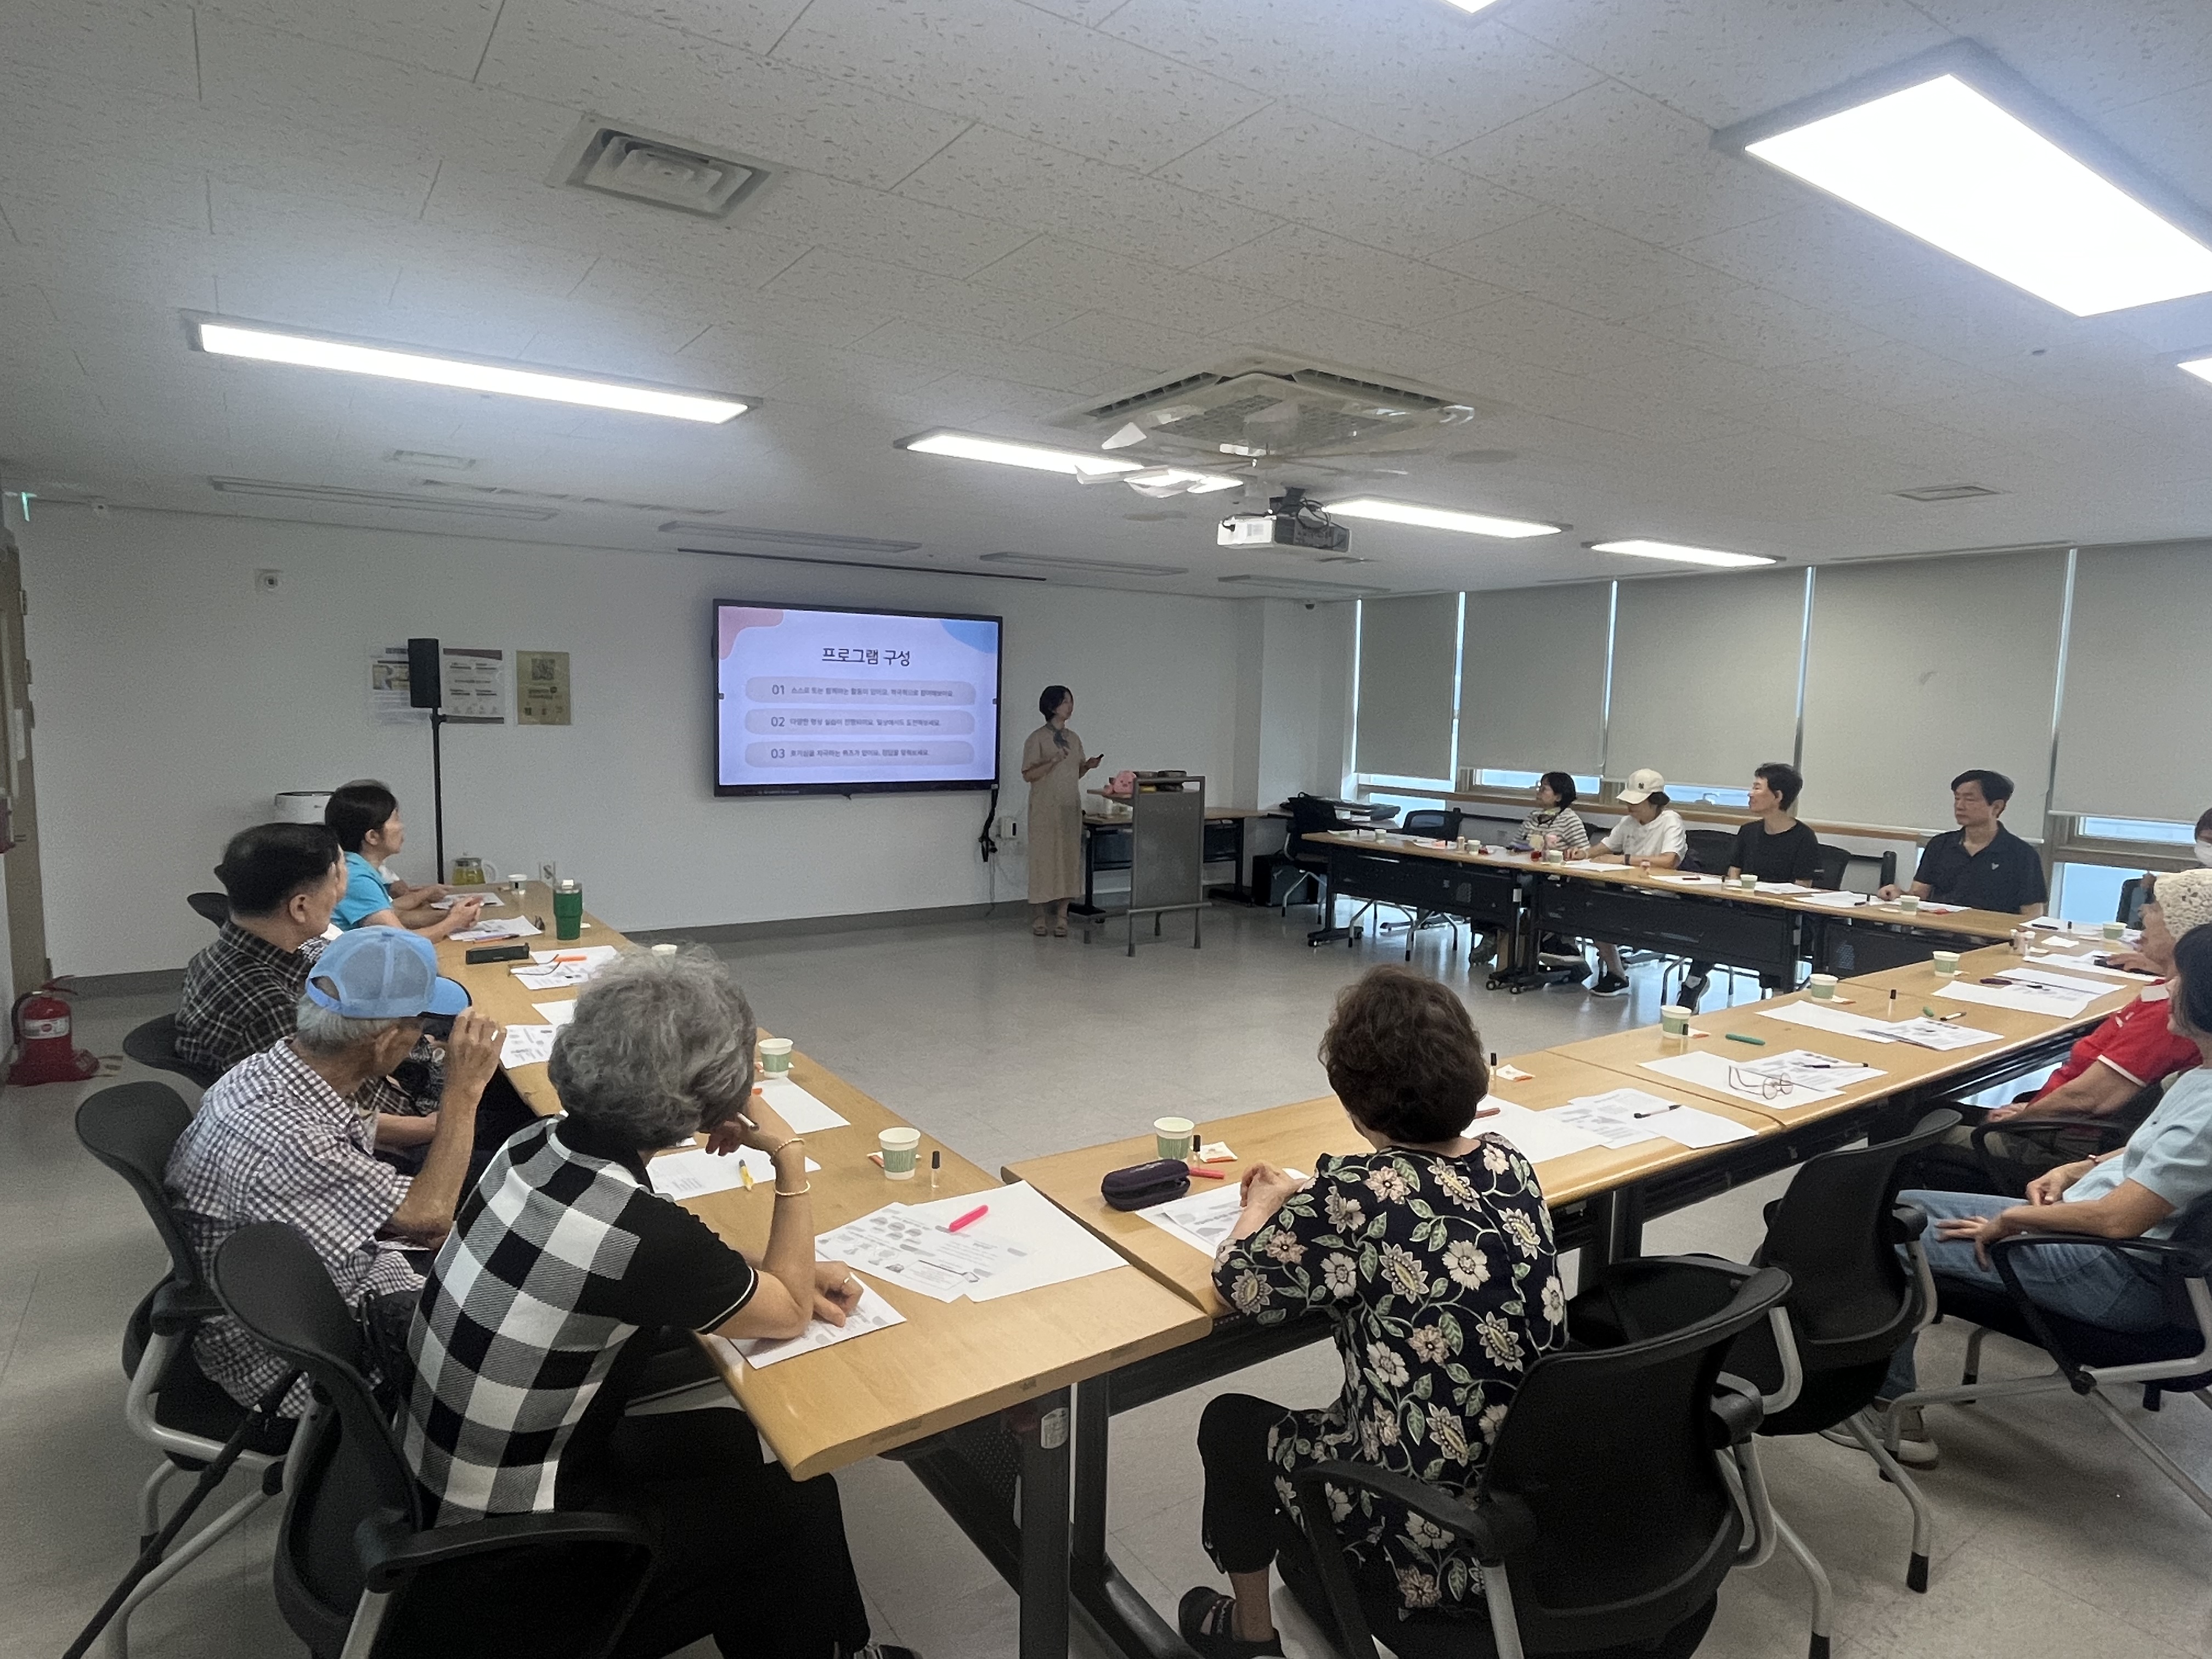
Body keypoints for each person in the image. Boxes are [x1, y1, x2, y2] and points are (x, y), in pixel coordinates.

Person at [403, 949, 913, 1659]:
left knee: (727, 1439)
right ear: (709, 1097)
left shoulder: (530, 1145)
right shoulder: (643, 1237)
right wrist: (789, 1156)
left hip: (446, 1492)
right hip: (511, 1564)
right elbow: (790, 1312)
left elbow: (651, 1261)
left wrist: (771, 1270)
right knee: (798, 1506)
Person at [1178, 966, 1566, 1657]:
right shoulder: (1510, 1162)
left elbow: (1241, 1281)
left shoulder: (1355, 1196)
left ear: (1355, 1103)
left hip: (1433, 1539)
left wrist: (1262, 1207)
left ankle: (1249, 1635)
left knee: (1231, 1426)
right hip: (1534, 1499)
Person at [1863, 919, 2212, 1468]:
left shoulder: (2208, 1112)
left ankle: (1891, 1407)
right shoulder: (2203, 1079)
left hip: (2113, 1269)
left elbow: (2119, 1221)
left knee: (1884, 1227)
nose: (2168, 986)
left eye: (2181, 978)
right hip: (2104, 1244)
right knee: (1894, 1210)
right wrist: (2081, 1167)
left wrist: (2015, 1222)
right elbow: (2156, 1151)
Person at [166, 927, 499, 1414]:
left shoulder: (267, 1070)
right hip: (300, 1358)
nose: (426, 1037)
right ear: (387, 1042)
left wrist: (434, 1127)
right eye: (421, 1025)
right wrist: (462, 1095)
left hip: (283, 1291)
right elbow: (430, 1218)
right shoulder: (291, 1143)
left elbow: (352, 1127)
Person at [1903, 870, 2212, 1197]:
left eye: (2156, 908)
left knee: (1905, 1128)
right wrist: (2031, 1109)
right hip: (2053, 1121)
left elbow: (2088, 1099)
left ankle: (1893, 1217)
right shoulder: (2165, 991)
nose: (2143, 912)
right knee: (1929, 1109)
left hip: (2062, 1145)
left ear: (2183, 931)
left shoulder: (2172, 1014)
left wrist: (2022, 1119)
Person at [176, 822, 345, 1076]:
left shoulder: (210, 957)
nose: (337, 896)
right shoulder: (273, 1009)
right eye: (333, 884)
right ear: (300, 907)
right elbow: (317, 1092)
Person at [1678, 761, 1821, 1011]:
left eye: (1757, 788)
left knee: (1771, 934)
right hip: (1744, 909)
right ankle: (1693, 985)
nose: (1750, 794)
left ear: (1778, 796)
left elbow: (1802, 889)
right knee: (1712, 922)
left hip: (1783, 917)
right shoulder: (1748, 832)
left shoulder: (1804, 838)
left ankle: (1778, 996)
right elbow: (1733, 875)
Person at [324, 778, 483, 938]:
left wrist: (452, 915)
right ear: (373, 836)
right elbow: (402, 940)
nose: (402, 826)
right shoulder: (356, 877)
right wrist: (453, 921)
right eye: (396, 819)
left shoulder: (357, 867)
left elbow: (395, 914)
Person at [1878, 769, 2047, 917]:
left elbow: (2032, 915)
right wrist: (1898, 894)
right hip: (1937, 932)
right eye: (1957, 798)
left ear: (1997, 807)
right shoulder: (1940, 845)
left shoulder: (2022, 855)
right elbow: (1918, 896)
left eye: (1969, 800)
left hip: (1991, 937)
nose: (1959, 806)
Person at [1583, 769, 1688, 997]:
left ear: (1655, 801)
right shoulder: (1628, 822)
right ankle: (1617, 975)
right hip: (1629, 890)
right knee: (1593, 911)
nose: (1630, 806)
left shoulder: (1670, 820)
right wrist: (1583, 854)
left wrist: (1624, 859)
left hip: (1661, 897)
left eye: (1637, 802)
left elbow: (1669, 860)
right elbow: (1605, 846)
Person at [1019, 685, 1103, 938]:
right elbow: (1028, 775)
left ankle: (1063, 916)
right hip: (1044, 809)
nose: (1070, 706)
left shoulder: (1074, 739)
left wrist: (1088, 766)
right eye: (1066, 702)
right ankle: (1039, 916)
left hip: (1069, 807)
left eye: (1071, 702)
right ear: (1053, 706)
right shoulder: (1036, 739)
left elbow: (1074, 774)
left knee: (1068, 859)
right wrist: (1052, 761)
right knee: (1043, 860)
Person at [1517, 771, 1588, 856]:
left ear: (1558, 797)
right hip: (1523, 862)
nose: (1538, 792)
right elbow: (1514, 847)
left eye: (1543, 789)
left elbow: (1584, 853)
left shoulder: (1570, 820)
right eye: (1539, 788)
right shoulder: (1533, 816)